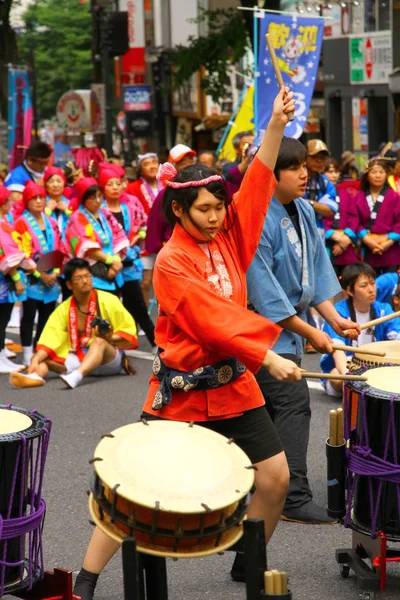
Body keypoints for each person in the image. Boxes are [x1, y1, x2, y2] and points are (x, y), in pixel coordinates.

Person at [73, 87, 302, 600]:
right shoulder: (172, 263)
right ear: (179, 211)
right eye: (204, 210)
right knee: (136, 486)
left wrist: (275, 125)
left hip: (234, 384)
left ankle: (250, 560)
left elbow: (259, 183)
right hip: (181, 388)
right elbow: (210, 320)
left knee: (274, 479)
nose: (217, 216)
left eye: (220, 207)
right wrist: (266, 354)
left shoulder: (230, 235)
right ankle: (86, 576)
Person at [246, 136, 360, 525]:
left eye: (304, 167)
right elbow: (265, 293)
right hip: (261, 332)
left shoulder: (303, 211)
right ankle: (292, 495)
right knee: (292, 404)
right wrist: (312, 332)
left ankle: (259, 486)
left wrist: (333, 319)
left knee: (265, 410)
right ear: (271, 174)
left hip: (291, 328)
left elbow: (315, 270)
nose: (304, 174)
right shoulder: (256, 216)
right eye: (294, 168)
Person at [10, 258, 138, 389]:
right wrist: (35, 359)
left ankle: (77, 375)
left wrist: (109, 337)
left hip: (109, 361)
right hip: (80, 356)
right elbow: (51, 338)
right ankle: (34, 377)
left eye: (87, 276)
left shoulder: (109, 300)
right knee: (42, 358)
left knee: (99, 342)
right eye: (78, 279)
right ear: (69, 285)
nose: (85, 281)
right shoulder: (63, 309)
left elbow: (128, 330)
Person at [320, 262, 400, 397]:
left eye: (373, 283)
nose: (371, 289)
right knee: (336, 376)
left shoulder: (383, 309)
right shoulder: (337, 314)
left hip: (375, 366)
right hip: (347, 367)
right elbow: (338, 354)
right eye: (364, 285)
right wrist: (353, 378)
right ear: (350, 290)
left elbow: (397, 340)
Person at [99, 167, 156, 350]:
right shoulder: (99, 209)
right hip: (108, 264)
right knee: (111, 306)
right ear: (102, 188)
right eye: (110, 184)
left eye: (118, 183)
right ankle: (109, 347)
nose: (115, 187)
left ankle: (157, 344)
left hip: (129, 263)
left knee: (138, 304)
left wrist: (137, 237)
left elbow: (144, 224)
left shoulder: (130, 205)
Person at [13, 181, 67, 366]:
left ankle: (39, 350)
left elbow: (61, 247)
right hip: (32, 279)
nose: (38, 201)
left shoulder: (51, 221)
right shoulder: (21, 223)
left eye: (41, 198)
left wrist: (56, 271)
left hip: (52, 277)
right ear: (27, 201)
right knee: (28, 316)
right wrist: (39, 274)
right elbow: (21, 253)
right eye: (34, 198)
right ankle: (27, 352)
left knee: (47, 316)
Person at [142, 145, 197, 306]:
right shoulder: (165, 194)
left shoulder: (204, 187)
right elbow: (154, 229)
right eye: (182, 162)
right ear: (173, 166)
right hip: (175, 255)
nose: (188, 164)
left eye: (190, 160)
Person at [65, 177, 129, 293]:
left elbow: (119, 236)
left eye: (100, 196)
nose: (98, 200)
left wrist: (117, 261)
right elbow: (87, 247)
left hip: (115, 267)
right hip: (94, 271)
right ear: (83, 199)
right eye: (92, 197)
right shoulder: (76, 218)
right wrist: (111, 261)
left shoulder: (105, 212)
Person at [347, 158, 400, 276]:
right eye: (374, 172)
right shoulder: (359, 197)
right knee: (369, 284)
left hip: (390, 248)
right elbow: (355, 220)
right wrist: (366, 239)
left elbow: (399, 222)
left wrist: (389, 242)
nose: (378, 176)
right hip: (368, 248)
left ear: (386, 174)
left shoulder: (394, 197)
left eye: (381, 172)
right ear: (367, 175)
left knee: (391, 287)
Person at [0, 186, 29, 373]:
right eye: (8, 201)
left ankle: (2, 355)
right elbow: (6, 256)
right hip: (4, 278)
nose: (11, 204)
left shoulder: (3, 221)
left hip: (5, 280)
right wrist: (17, 278)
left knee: (2, 320)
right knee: (0, 319)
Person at [323, 158, 359, 277]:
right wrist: (332, 234)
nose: (333, 175)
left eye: (336, 171)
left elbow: (353, 216)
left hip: (346, 245)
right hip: (326, 244)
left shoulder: (344, 193)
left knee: (348, 281)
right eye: (329, 171)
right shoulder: (319, 194)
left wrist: (346, 237)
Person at [303, 139, 337, 238]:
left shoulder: (325, 182)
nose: (319, 161)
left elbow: (330, 210)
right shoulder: (294, 177)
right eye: (314, 157)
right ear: (304, 156)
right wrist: (318, 206)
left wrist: (309, 203)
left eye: (322, 158)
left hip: (318, 234)